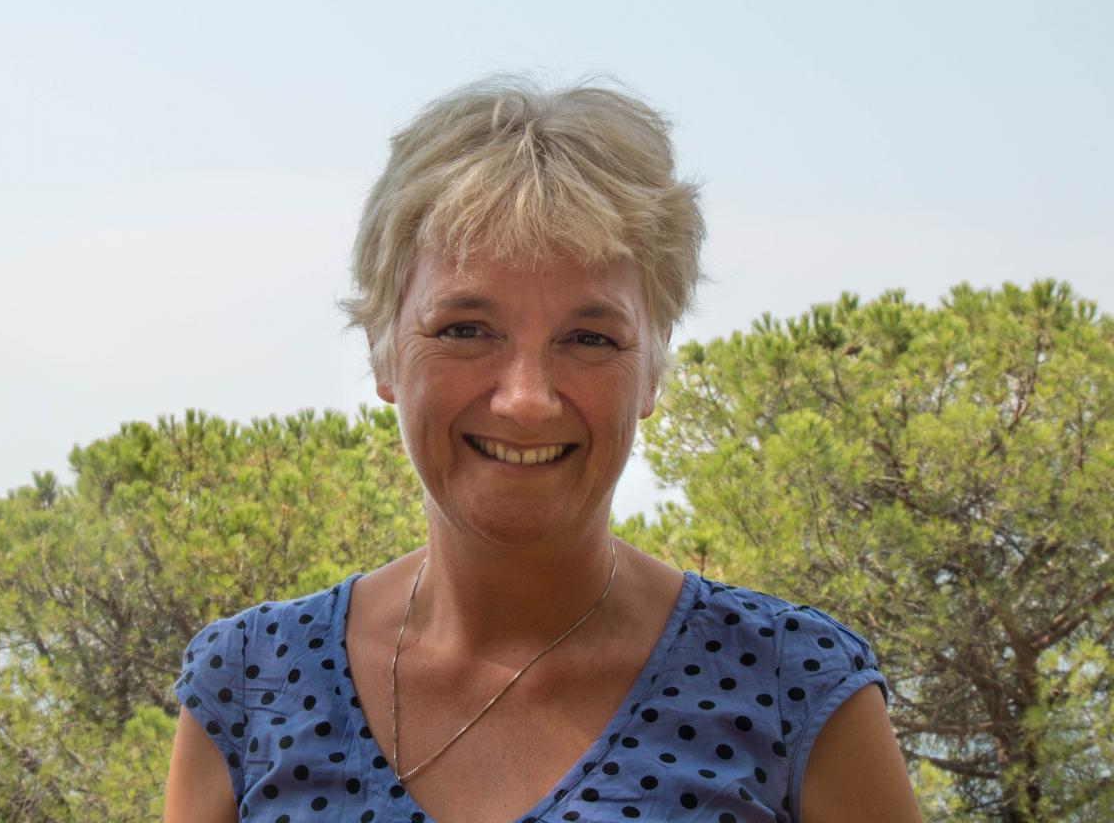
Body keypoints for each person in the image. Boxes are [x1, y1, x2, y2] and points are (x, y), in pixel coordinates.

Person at [163, 78, 922, 823]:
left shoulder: (795, 688)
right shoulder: (249, 683)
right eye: (465, 329)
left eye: (589, 338)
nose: (526, 400)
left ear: (653, 369)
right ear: (382, 349)